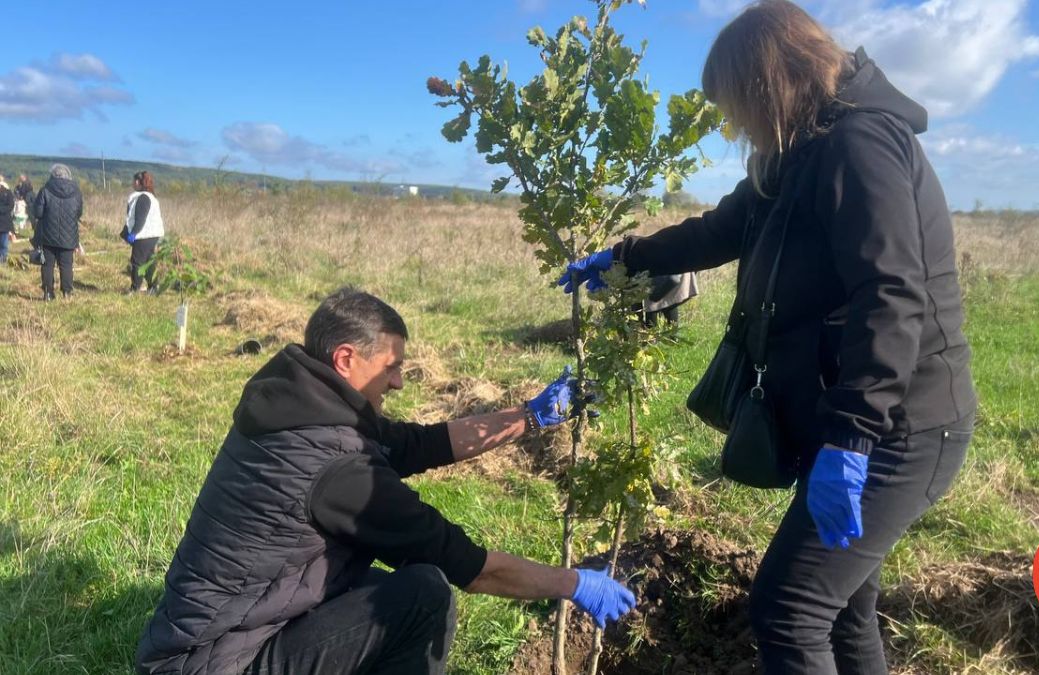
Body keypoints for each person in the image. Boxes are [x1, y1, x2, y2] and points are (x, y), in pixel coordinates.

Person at [558, 2, 976, 673]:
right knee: (841, 611)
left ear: (768, 83)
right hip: (852, 417)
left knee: (789, 608)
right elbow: (719, 231)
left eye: (736, 106)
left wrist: (851, 438)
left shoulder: (858, 145)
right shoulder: (797, 154)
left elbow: (893, 294)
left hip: (901, 427)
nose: (733, 125)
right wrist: (625, 257)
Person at [135, 287, 636, 675]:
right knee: (423, 594)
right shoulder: (338, 469)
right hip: (218, 664)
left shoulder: (296, 402)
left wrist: (527, 417)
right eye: (391, 367)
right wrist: (574, 583)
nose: (398, 381)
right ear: (347, 359)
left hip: (213, 635)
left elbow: (416, 444)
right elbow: (474, 569)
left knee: (375, 591)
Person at [32, 164, 83, 301]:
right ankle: (67, 293)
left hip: (48, 235)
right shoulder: (76, 192)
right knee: (66, 265)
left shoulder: (45, 190)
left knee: (47, 265)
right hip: (69, 236)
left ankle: (48, 293)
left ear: (53, 175)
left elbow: (38, 212)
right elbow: (79, 213)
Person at [121, 170, 164, 293]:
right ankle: (153, 287)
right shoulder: (150, 196)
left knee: (137, 262)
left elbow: (140, 219)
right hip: (152, 234)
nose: (132, 183)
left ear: (137, 182)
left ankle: (135, 289)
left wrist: (133, 233)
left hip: (144, 234)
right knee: (149, 262)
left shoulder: (143, 198)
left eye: (133, 181)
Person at [0, 176, 13, 265]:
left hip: (5, 222)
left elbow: (11, 205)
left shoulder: (8, 192)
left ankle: (3, 260)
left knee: (4, 244)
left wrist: (1, 209)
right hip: (5, 221)